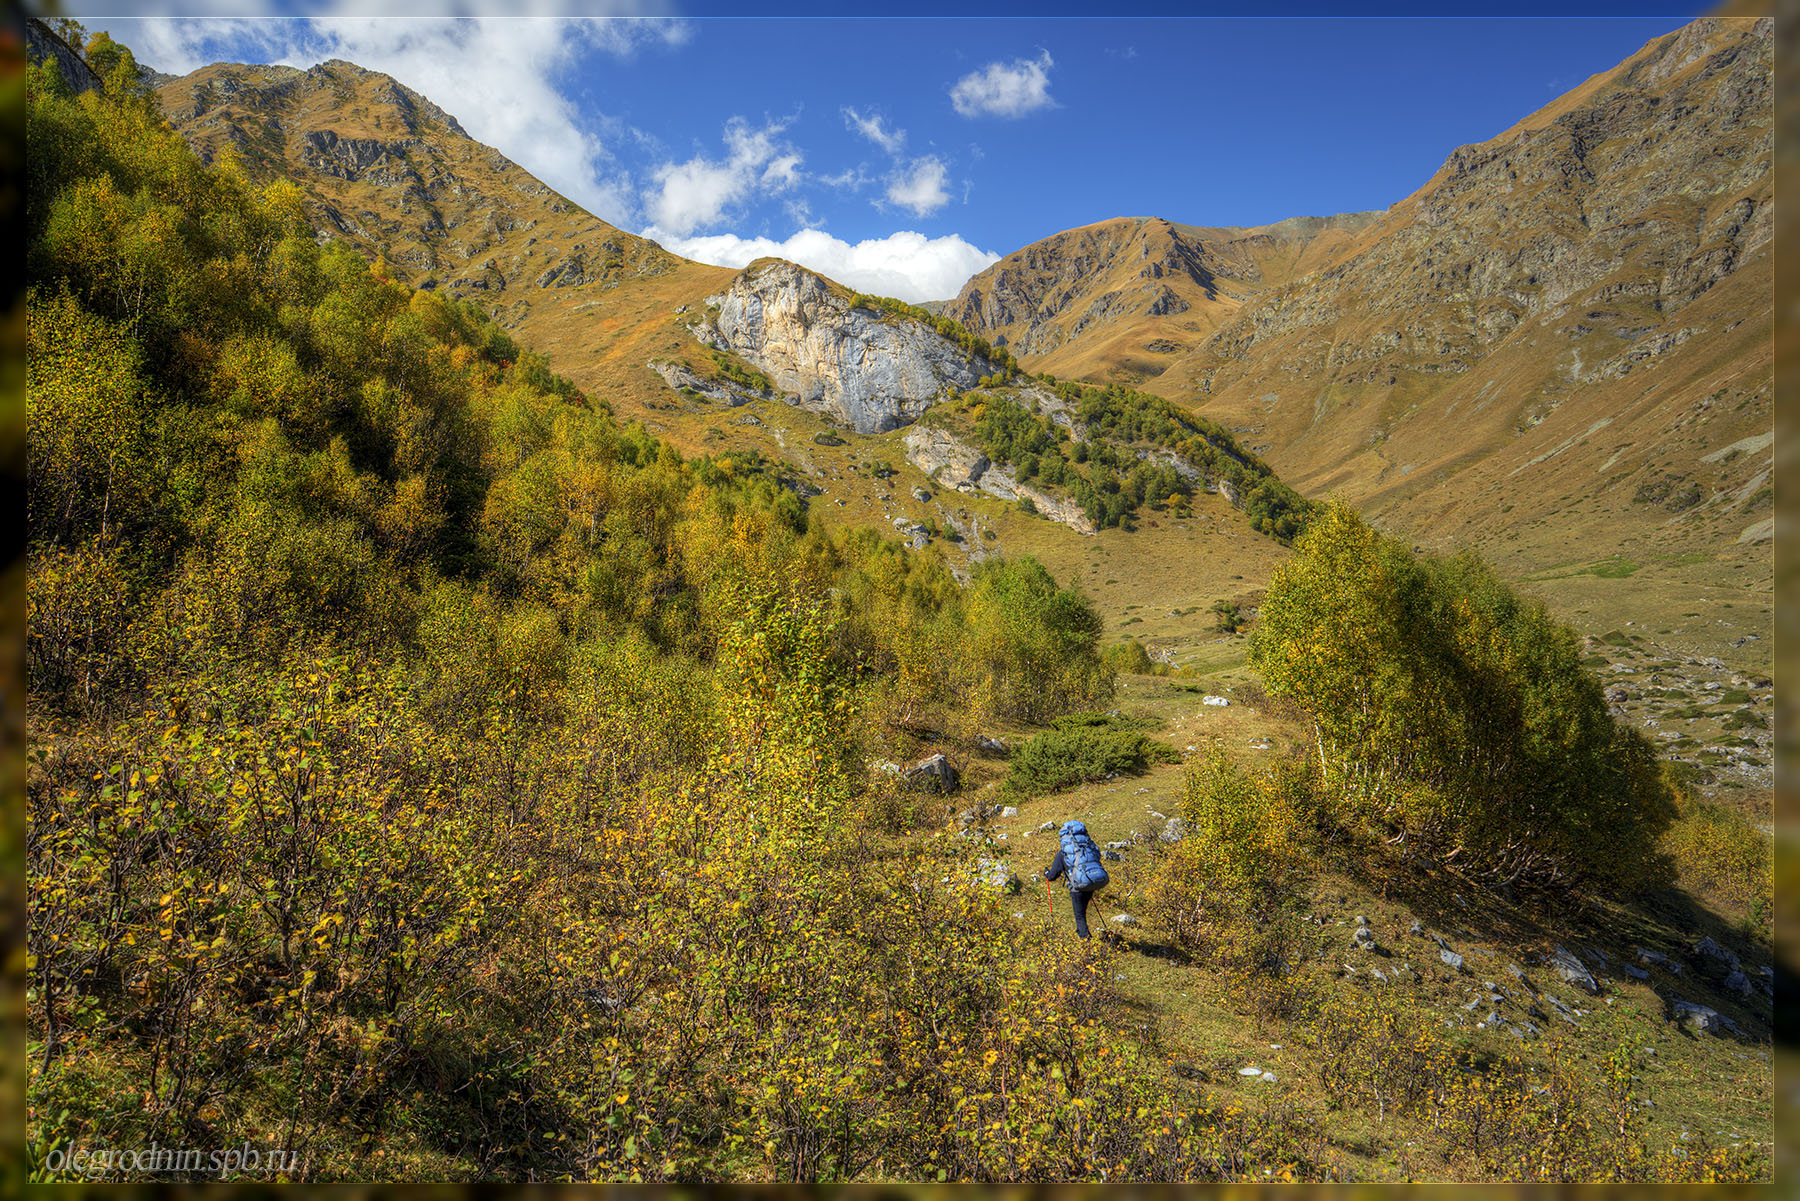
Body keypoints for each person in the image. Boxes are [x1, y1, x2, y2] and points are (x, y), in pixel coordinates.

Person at [1044, 819, 1109, 939]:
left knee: (1079, 916)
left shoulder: (1065, 853)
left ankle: (1086, 942)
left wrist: (1047, 873)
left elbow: (1053, 875)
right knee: (1082, 911)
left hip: (1078, 886)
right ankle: (1084, 935)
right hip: (1091, 881)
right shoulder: (1089, 847)